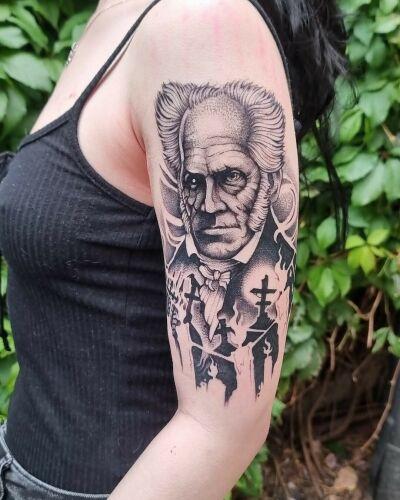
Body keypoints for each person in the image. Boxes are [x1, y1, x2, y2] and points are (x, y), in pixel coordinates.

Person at [0, 0, 347, 498]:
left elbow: (221, 430)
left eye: (231, 178)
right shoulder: (116, 14)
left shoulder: (203, 25)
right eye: (195, 182)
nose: (209, 205)